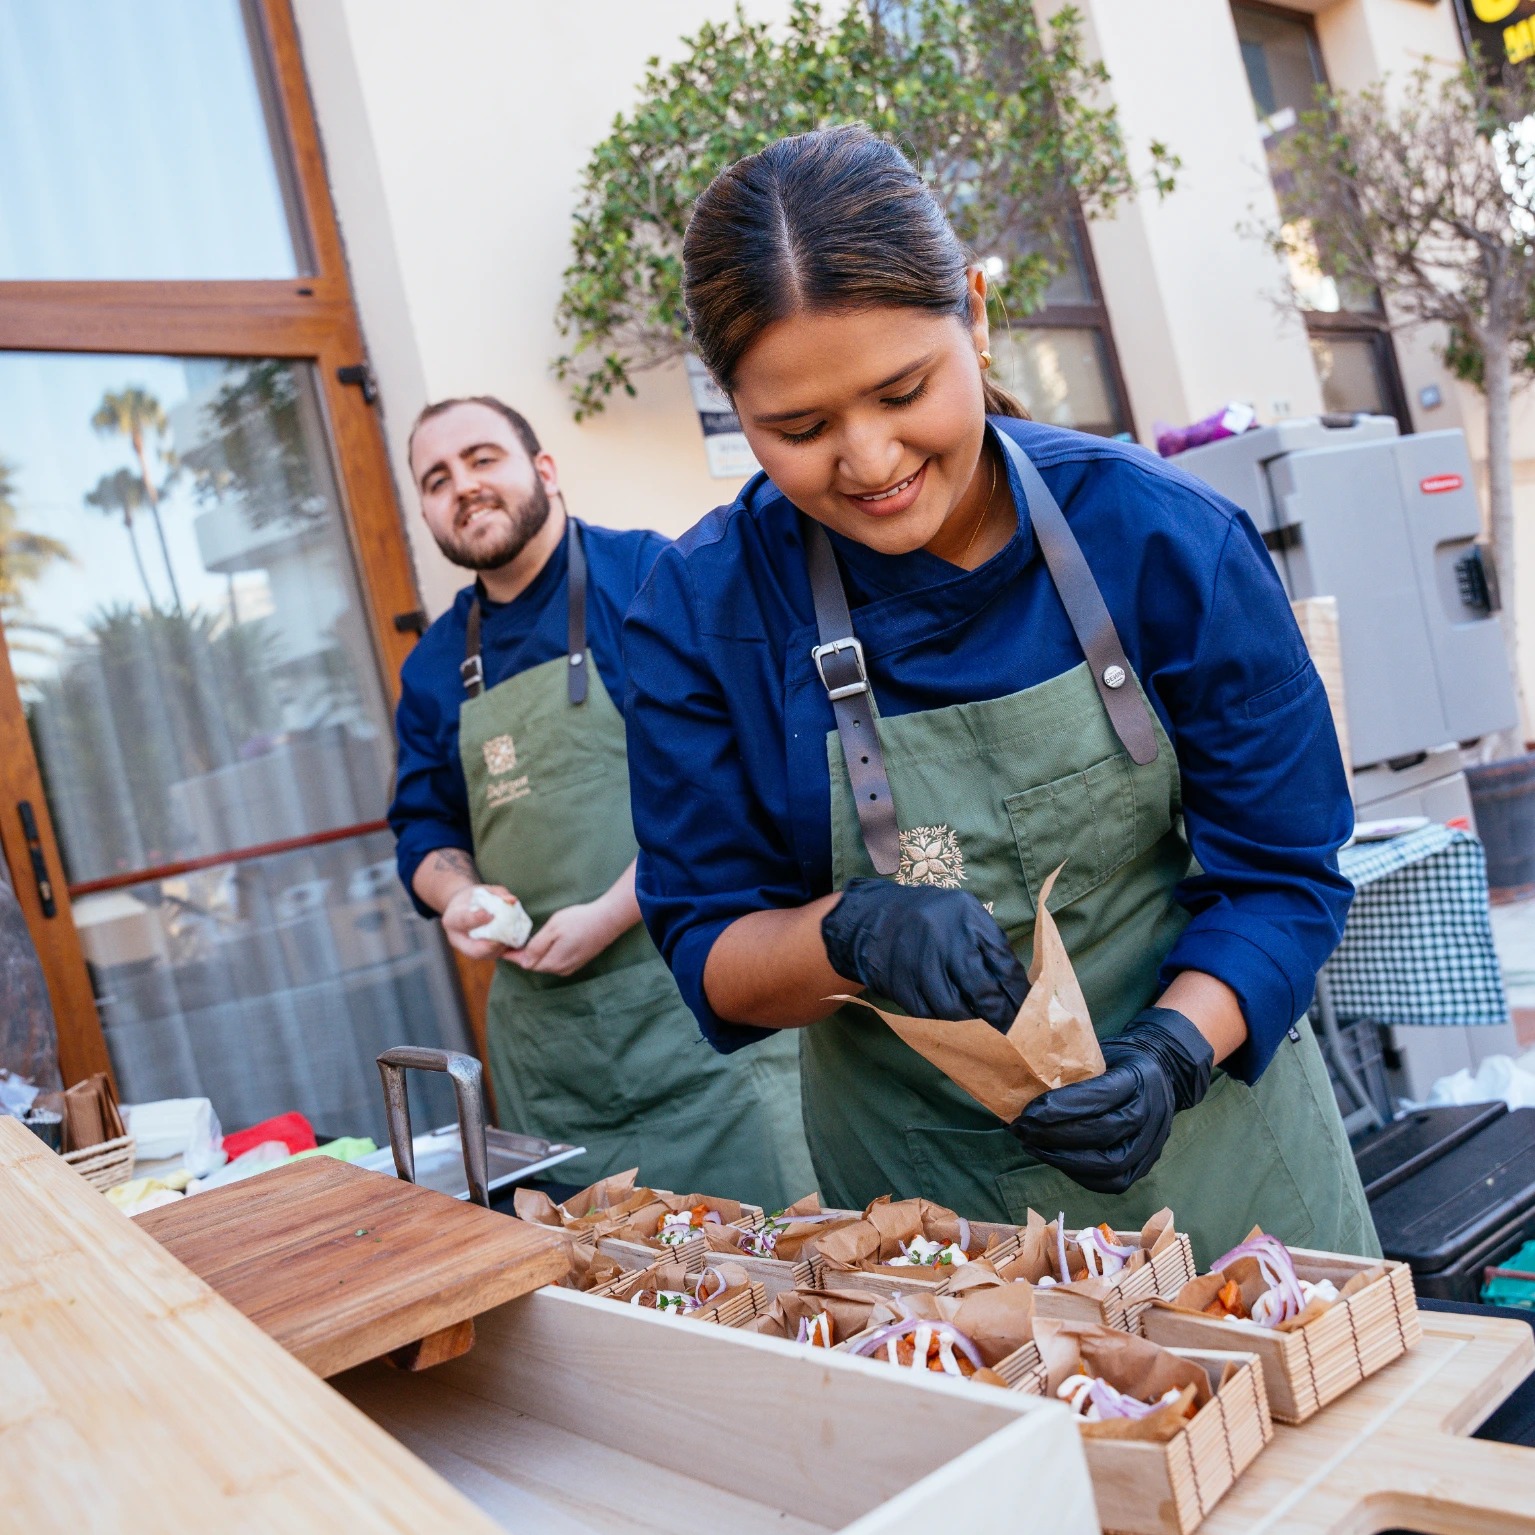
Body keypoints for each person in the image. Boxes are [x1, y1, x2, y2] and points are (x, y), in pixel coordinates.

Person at [622, 126, 1377, 1265]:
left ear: (973, 314)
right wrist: (848, 934)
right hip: (928, 1210)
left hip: (1225, 1161)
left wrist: (1173, 1052)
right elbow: (709, 950)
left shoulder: (1163, 543)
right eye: (800, 427)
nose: (869, 459)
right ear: (733, 407)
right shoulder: (698, 612)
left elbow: (1282, 873)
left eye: (900, 390)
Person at [388, 396, 814, 1207]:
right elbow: (424, 826)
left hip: (701, 1019)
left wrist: (614, 908)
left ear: (544, 470)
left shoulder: (656, 579)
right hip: (555, 1067)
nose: (464, 487)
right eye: (436, 479)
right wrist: (458, 894)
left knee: (779, 1276)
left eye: (483, 459)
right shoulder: (436, 664)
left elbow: (741, 776)